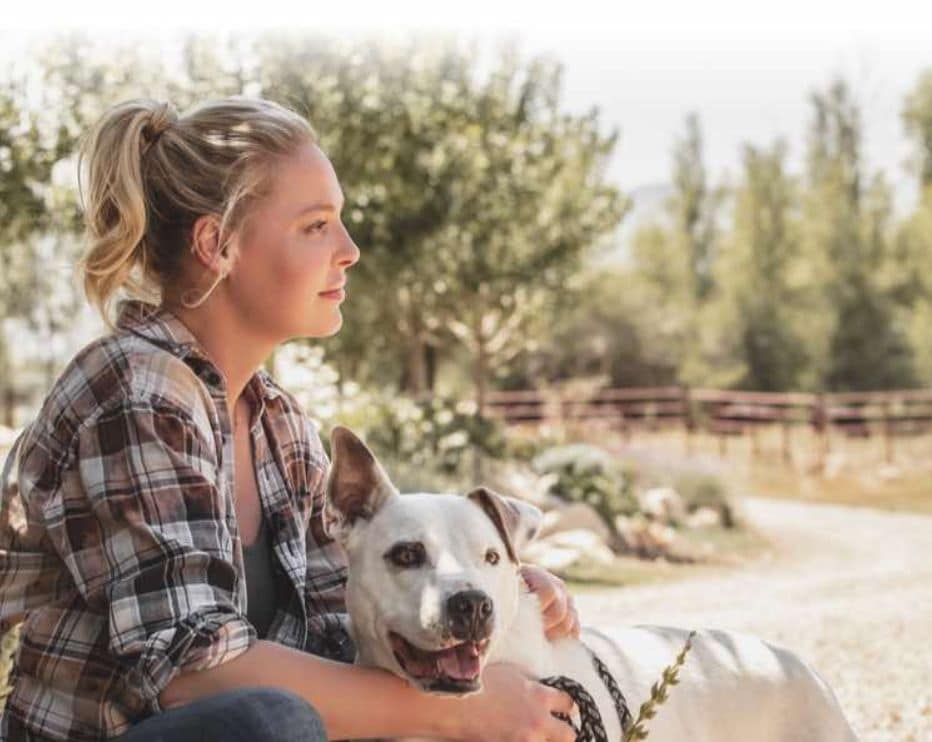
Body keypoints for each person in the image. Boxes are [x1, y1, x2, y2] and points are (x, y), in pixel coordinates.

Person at [0, 96, 581, 742]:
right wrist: (461, 711)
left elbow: (352, 626)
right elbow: (194, 675)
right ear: (217, 245)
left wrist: (493, 589)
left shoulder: (280, 426)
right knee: (272, 719)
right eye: (316, 225)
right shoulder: (136, 392)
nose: (351, 250)